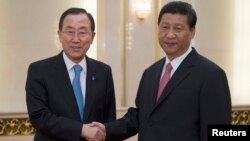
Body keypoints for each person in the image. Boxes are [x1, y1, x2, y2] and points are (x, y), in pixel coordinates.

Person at [90, 1, 232, 141]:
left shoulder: (211, 75)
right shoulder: (150, 73)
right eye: (164, 27)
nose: (170, 35)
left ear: (192, 31)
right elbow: (140, 117)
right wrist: (106, 130)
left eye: (178, 28)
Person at [25, 7, 116, 141]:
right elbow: (39, 116)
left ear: (92, 36)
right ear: (60, 35)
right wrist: (81, 130)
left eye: (82, 32)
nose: (76, 39)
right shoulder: (39, 70)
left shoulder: (103, 71)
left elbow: (109, 120)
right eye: (70, 32)